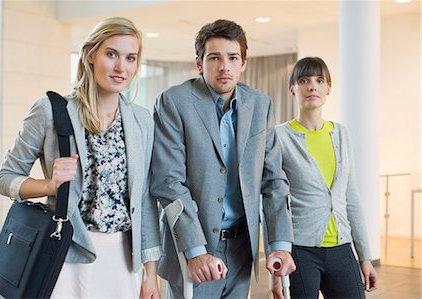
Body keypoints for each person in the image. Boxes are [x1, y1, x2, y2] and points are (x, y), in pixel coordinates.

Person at [0, 17, 161, 299]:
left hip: (123, 260)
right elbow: (4, 179)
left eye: (130, 58)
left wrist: (151, 274)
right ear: (90, 54)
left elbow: (144, 201)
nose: (122, 67)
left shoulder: (142, 120)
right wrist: (49, 186)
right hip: (66, 254)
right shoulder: (50, 110)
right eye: (111, 54)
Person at [150, 19, 295, 299]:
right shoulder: (174, 102)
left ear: (243, 63)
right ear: (199, 63)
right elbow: (169, 182)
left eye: (232, 57)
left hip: (243, 247)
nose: (224, 66)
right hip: (195, 248)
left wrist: (280, 244)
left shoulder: (260, 104)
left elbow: (274, 179)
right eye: (214, 57)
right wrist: (196, 252)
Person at [272, 57, 378, 299]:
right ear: (292, 88)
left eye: (319, 80)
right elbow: (272, 203)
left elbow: (351, 198)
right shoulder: (279, 137)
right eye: (304, 80)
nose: (312, 87)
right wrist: (276, 268)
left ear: (328, 87)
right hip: (299, 250)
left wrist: (365, 257)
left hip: (341, 247)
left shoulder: (341, 134)